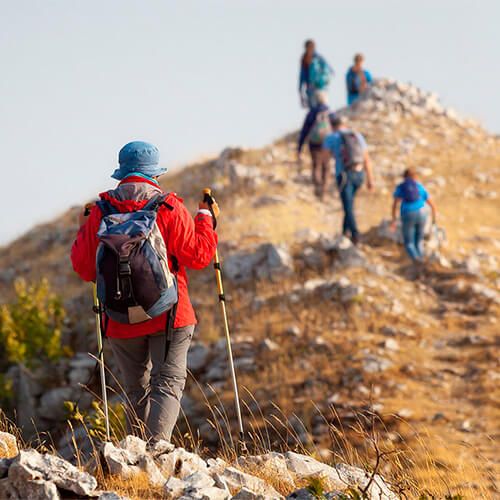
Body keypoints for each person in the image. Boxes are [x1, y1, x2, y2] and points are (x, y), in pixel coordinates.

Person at [71, 141, 218, 443]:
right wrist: (205, 218)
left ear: (121, 173)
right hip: (169, 313)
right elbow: (200, 256)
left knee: (135, 389)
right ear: (155, 175)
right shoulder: (168, 206)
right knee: (168, 382)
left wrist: (82, 228)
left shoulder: (99, 211)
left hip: (120, 317)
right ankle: (155, 453)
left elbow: (86, 269)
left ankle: (134, 454)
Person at [322, 115, 374, 245]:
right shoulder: (357, 136)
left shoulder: (331, 138)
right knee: (349, 205)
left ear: (332, 125)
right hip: (359, 174)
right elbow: (366, 159)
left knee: (348, 206)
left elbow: (325, 160)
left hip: (344, 175)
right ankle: (345, 232)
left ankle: (356, 235)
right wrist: (370, 179)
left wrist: (325, 179)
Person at [391, 168, 437, 263]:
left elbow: (395, 204)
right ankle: (422, 259)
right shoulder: (419, 186)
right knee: (419, 240)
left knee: (409, 243)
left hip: (408, 213)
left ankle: (416, 260)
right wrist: (434, 220)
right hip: (422, 213)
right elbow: (432, 204)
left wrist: (394, 220)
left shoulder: (401, 187)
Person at [297, 91, 332, 199]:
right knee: (326, 166)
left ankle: (318, 187)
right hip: (327, 141)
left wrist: (300, 146)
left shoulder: (312, 113)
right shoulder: (329, 112)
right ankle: (324, 189)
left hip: (314, 142)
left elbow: (304, 130)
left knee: (316, 165)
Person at [299, 39, 334, 109]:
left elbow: (330, 72)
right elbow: (302, 76)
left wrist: (322, 81)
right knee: (314, 110)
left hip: (321, 88)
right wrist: (300, 90)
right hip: (310, 89)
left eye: (311, 47)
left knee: (323, 109)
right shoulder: (304, 59)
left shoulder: (319, 59)